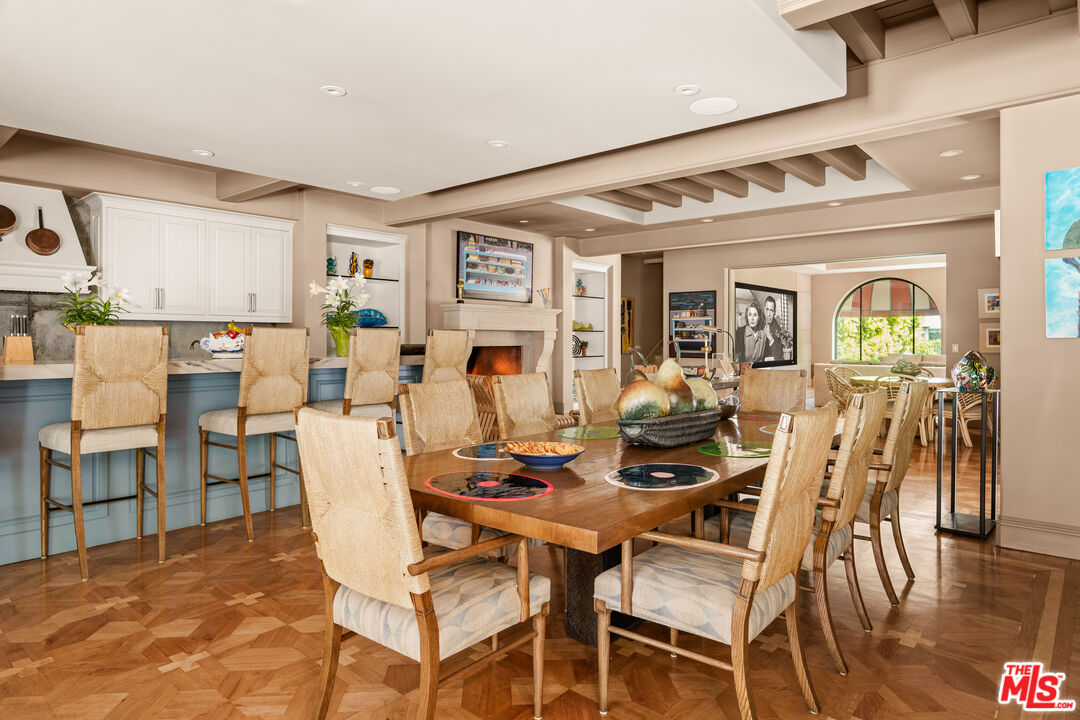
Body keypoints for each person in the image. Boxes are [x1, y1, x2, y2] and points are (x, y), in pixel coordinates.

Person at [762, 295, 784, 361]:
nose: (768, 314)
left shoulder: (778, 330)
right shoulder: (759, 324)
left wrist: (769, 337)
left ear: (774, 312)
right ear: (764, 309)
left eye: (771, 310)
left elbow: (779, 356)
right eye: (767, 309)